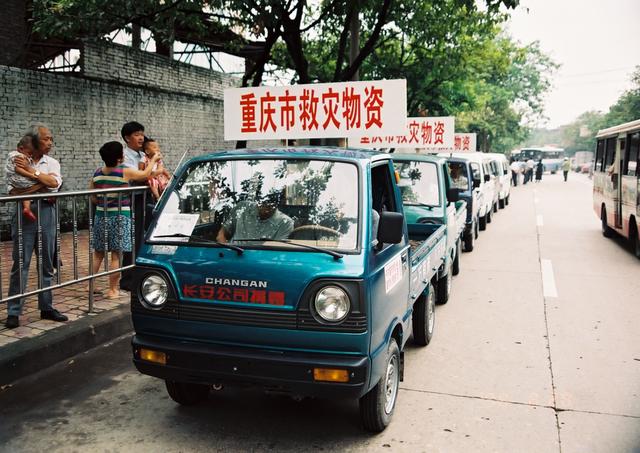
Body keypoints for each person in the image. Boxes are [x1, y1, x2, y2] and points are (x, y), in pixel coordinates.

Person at [5, 125, 64, 329]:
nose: (50, 143)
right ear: (35, 141)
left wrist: (32, 173)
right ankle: (14, 311)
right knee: (20, 263)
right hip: (23, 214)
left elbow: (55, 184)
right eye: (47, 139)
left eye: (51, 139)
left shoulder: (52, 162)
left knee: (47, 262)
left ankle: (46, 306)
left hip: (47, 212)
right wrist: (42, 183)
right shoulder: (16, 158)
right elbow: (14, 190)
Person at [89, 141, 162, 298]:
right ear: (119, 157)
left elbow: (93, 197)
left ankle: (90, 286)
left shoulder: (97, 172)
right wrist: (154, 160)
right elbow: (144, 175)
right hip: (120, 217)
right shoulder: (123, 171)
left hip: (101, 216)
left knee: (98, 254)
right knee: (116, 254)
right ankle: (112, 289)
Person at [119, 121, 148, 291]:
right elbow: (137, 177)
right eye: (137, 134)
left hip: (143, 199)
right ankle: (127, 279)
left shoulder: (141, 154)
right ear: (127, 138)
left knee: (143, 238)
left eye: (142, 133)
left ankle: (139, 273)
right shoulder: (125, 155)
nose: (141, 137)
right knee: (132, 238)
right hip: (130, 201)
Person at [216, 191, 294, 243]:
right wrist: (226, 250)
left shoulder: (285, 223)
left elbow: (277, 253)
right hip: (232, 254)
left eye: (270, 203)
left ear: (278, 203)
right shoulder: (242, 207)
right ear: (257, 199)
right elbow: (222, 233)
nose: (265, 207)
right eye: (262, 202)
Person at [5, 136, 44, 222]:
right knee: (41, 183)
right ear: (21, 148)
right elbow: (18, 169)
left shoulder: (12, 154)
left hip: (13, 181)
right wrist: (31, 175)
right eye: (29, 153)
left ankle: (27, 208)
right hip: (19, 179)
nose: (30, 156)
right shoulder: (20, 156)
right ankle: (47, 197)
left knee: (26, 194)